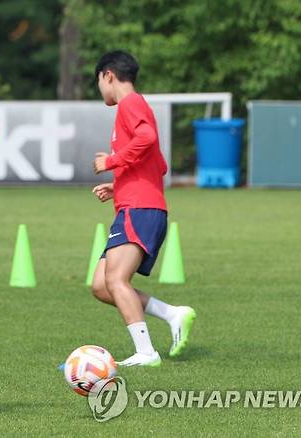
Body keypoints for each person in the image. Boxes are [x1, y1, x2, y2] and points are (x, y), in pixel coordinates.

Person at [91, 50, 196, 367]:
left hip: (140, 208)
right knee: (101, 285)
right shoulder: (136, 107)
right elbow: (159, 164)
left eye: (98, 82)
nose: (100, 89)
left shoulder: (131, 103)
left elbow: (147, 138)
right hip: (136, 204)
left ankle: (146, 352)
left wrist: (110, 162)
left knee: (117, 281)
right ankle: (172, 314)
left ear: (108, 75)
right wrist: (119, 183)